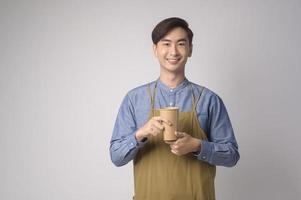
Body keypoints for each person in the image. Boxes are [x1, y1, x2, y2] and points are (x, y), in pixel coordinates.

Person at [110, 17, 240, 200]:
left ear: (190, 49)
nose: (173, 51)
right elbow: (116, 157)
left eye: (181, 44)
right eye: (166, 44)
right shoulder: (134, 99)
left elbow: (232, 156)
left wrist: (197, 146)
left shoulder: (209, 100)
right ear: (155, 49)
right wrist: (141, 134)